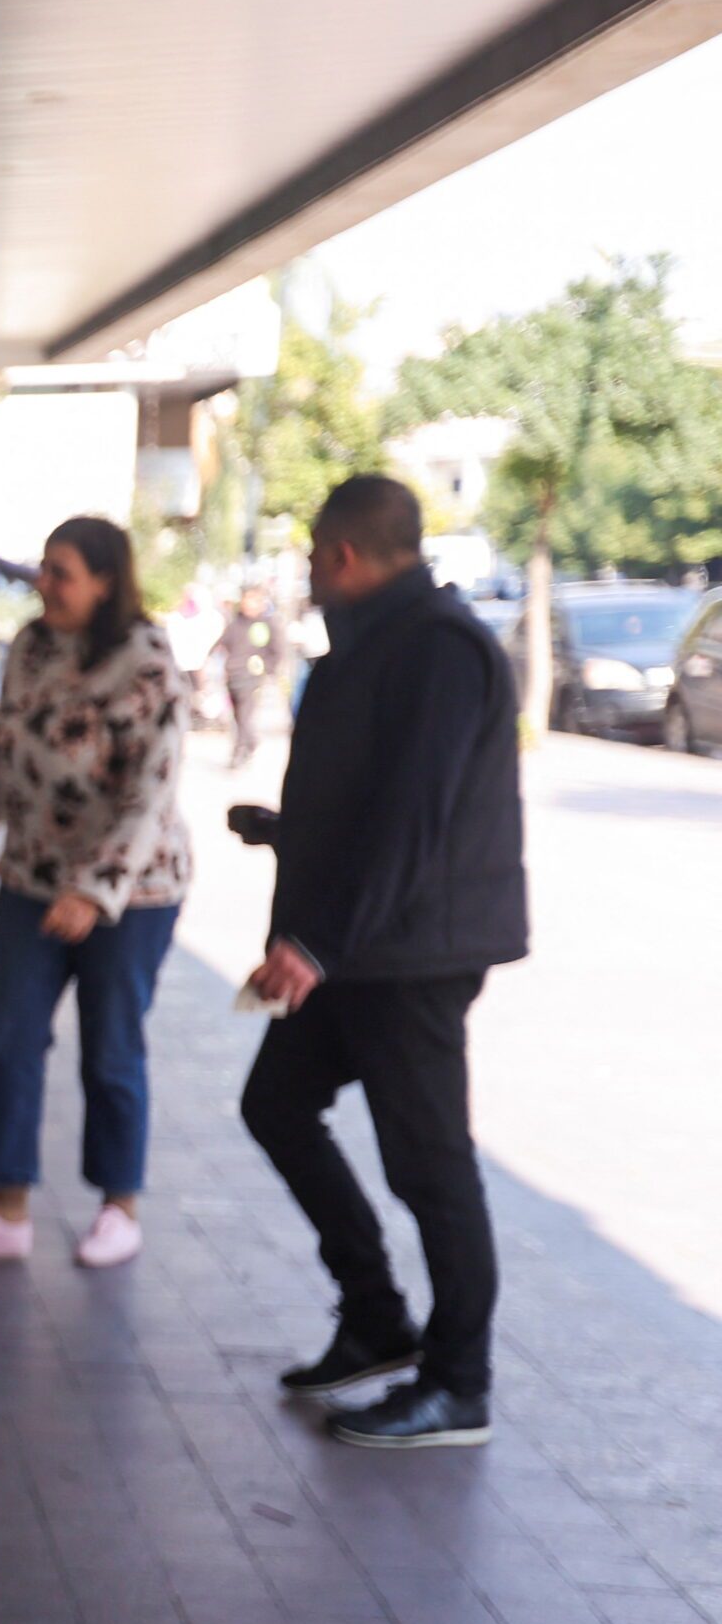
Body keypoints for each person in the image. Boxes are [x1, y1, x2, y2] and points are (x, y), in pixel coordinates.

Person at [231, 475, 527, 1449]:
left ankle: (458, 1383)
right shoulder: (383, 643)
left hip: (405, 954)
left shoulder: (438, 649)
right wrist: (288, 832)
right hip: (358, 945)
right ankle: (374, 1319)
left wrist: (315, 944)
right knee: (275, 1104)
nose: (311, 578)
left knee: (429, 1164)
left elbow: (414, 822)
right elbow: (370, 799)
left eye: (315, 559)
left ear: (342, 556)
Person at [0, 517, 192, 1269]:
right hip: (33, 879)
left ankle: (118, 1204)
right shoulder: (30, 650)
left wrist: (94, 892)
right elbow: (2, 764)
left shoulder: (148, 664)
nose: (46, 584)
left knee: (110, 1049)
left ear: (106, 582)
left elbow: (151, 799)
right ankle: (5, 1207)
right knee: (8, 1039)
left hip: (131, 896)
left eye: (62, 572)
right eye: (44, 568)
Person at [208, 583, 287, 767]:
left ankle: (240, 751)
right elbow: (221, 642)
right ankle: (251, 742)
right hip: (232, 676)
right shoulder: (236, 623)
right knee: (238, 715)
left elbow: (278, 651)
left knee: (245, 715)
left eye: (253, 600)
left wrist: (267, 670)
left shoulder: (268, 624)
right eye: (246, 599)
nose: (248, 604)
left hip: (251, 679)